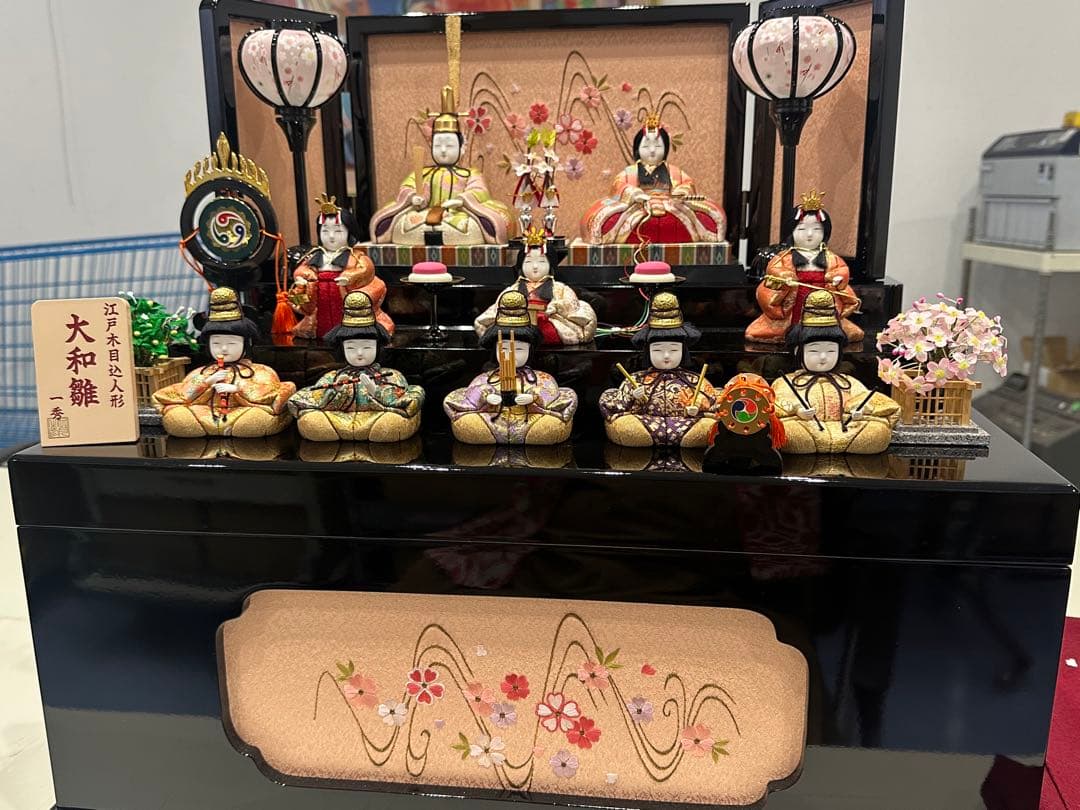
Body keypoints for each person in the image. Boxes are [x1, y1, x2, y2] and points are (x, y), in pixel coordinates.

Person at [370, 86, 512, 246]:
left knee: (469, 227)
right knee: (404, 224)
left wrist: (461, 201)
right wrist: (413, 197)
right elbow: (407, 187)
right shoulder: (422, 173)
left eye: (449, 145)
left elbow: (479, 190)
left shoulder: (469, 174)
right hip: (423, 215)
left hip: (458, 214)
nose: (443, 150)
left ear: (462, 148)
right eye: (438, 145)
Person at [152, 287, 295, 437]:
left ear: (247, 344)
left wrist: (237, 388)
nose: (224, 349)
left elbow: (272, 394)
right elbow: (181, 395)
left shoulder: (260, 371)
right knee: (178, 417)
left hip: (242, 414)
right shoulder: (202, 371)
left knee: (256, 419)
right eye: (216, 344)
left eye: (232, 343)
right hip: (205, 415)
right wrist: (207, 382)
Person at [771, 290, 899, 454]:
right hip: (807, 428)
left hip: (847, 430)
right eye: (814, 351)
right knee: (788, 430)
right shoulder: (788, 381)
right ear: (798, 351)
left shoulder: (847, 381)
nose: (823, 357)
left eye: (831, 351)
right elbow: (775, 403)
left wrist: (861, 410)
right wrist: (797, 410)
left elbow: (867, 398)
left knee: (877, 431)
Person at [444, 291, 577, 444]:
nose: (511, 355)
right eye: (504, 349)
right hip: (492, 421)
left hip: (529, 421)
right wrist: (486, 397)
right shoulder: (485, 378)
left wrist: (534, 398)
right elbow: (470, 398)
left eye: (519, 349)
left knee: (551, 425)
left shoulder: (541, 378)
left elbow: (551, 396)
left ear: (530, 350)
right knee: (468, 423)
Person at [288, 292, 424, 442]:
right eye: (351, 348)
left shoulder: (391, 376)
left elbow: (410, 397)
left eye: (367, 347)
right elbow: (312, 398)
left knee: (392, 423)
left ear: (378, 348)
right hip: (338, 422)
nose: (359, 353)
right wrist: (335, 391)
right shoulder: (332, 376)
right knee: (312, 421)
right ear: (342, 349)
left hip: (376, 419)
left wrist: (375, 391)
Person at [580, 111, 725, 245]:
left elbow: (687, 183)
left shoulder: (674, 172)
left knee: (704, 215)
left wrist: (681, 192)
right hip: (639, 206)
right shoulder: (630, 173)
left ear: (666, 149)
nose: (652, 150)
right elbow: (619, 185)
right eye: (646, 146)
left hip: (671, 205)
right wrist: (634, 193)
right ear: (637, 149)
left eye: (658, 146)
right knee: (605, 218)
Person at [599, 292, 718, 447]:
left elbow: (713, 405)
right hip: (646, 423)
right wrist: (632, 396)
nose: (666, 356)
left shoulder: (695, 381)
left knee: (707, 426)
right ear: (648, 352)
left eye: (674, 350)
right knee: (626, 426)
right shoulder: (637, 379)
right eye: (657, 350)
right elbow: (617, 406)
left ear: (683, 352)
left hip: (686, 424)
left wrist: (697, 410)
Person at [745, 190, 862, 344]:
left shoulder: (831, 258)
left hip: (822, 303)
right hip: (794, 302)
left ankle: (823, 332)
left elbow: (841, 270)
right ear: (791, 232)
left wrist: (837, 278)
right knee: (760, 332)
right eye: (802, 229)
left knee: (839, 329)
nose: (809, 234)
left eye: (816, 229)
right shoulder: (784, 258)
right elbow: (773, 272)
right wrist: (785, 278)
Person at [291, 194, 393, 340]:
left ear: (350, 233)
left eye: (338, 231)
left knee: (349, 326)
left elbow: (366, 270)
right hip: (321, 302)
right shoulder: (313, 257)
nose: (331, 236)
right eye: (325, 231)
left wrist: (350, 278)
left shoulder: (356, 257)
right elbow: (302, 270)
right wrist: (303, 279)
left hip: (343, 298)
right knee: (320, 324)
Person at [473, 227, 596, 346]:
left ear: (550, 265)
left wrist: (556, 307)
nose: (535, 267)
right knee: (511, 333)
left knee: (544, 331)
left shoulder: (560, 289)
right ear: (521, 266)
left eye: (541, 261)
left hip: (547, 321)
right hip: (519, 324)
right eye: (528, 261)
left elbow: (571, 306)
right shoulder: (512, 289)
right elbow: (497, 310)